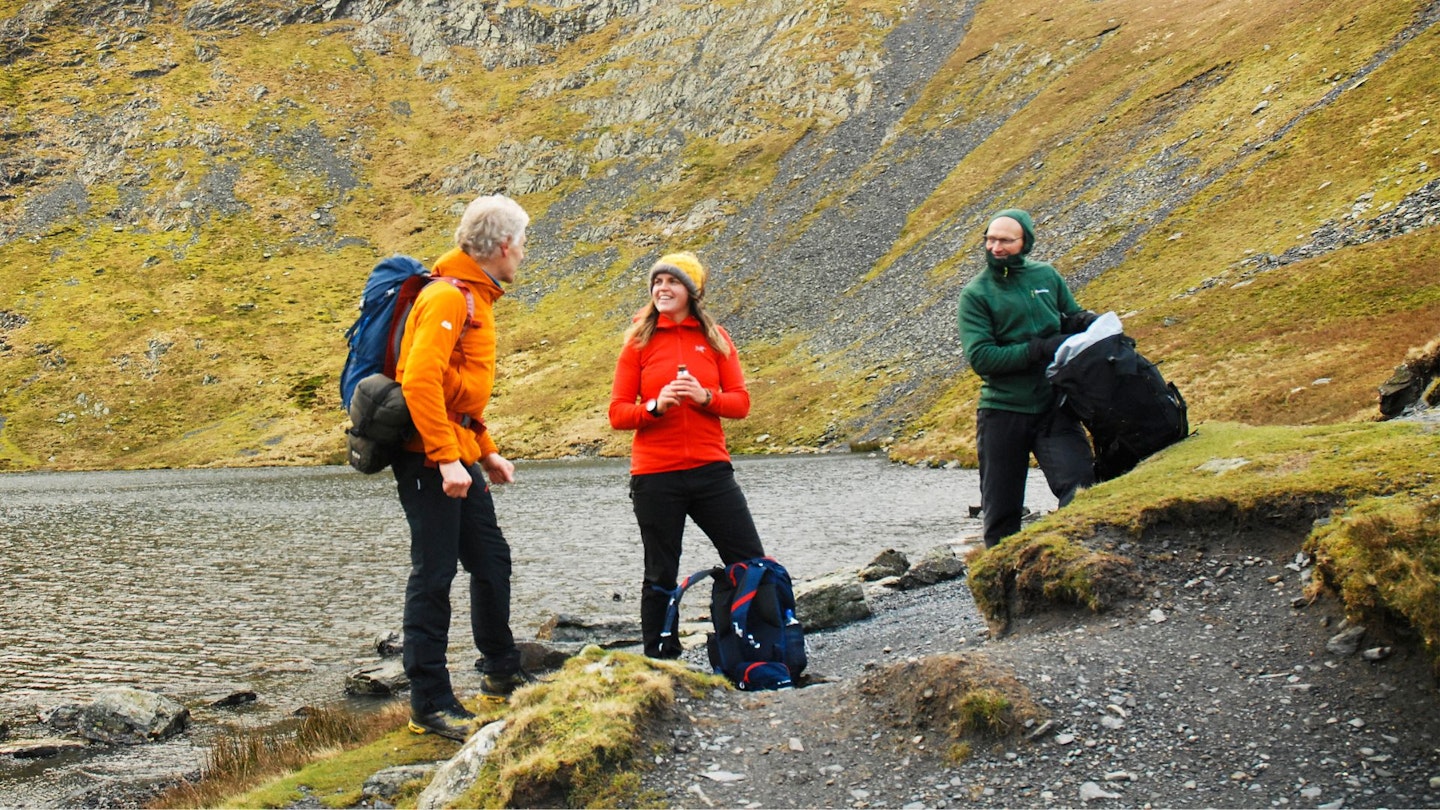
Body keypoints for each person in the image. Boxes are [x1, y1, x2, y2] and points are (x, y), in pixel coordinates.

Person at [391, 194, 531, 741]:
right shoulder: (449, 298)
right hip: (428, 459)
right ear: (501, 246)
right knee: (434, 573)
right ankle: (430, 702)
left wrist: (485, 449)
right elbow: (420, 381)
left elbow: (457, 394)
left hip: (456, 451)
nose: (522, 254)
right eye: (520, 244)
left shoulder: (476, 296)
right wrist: (447, 459)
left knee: (490, 559)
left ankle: (500, 669)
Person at [608, 252, 766, 659]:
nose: (662, 289)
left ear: (691, 291)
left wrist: (705, 397)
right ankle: (661, 660)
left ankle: (757, 649)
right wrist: (654, 407)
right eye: (657, 282)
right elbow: (618, 413)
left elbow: (741, 403)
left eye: (672, 282)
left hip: (712, 472)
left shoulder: (716, 338)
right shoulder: (637, 342)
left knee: (749, 559)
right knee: (660, 572)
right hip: (655, 476)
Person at [957, 208, 1098, 548]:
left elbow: (1069, 317)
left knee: (1082, 490)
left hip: (1054, 407)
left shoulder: (1046, 277)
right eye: (990, 239)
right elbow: (982, 358)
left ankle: (1071, 565)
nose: (996, 247)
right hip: (1002, 412)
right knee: (1002, 513)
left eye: (1005, 240)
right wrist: (1037, 350)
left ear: (1025, 242)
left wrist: (1088, 323)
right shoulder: (976, 294)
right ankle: (1003, 590)